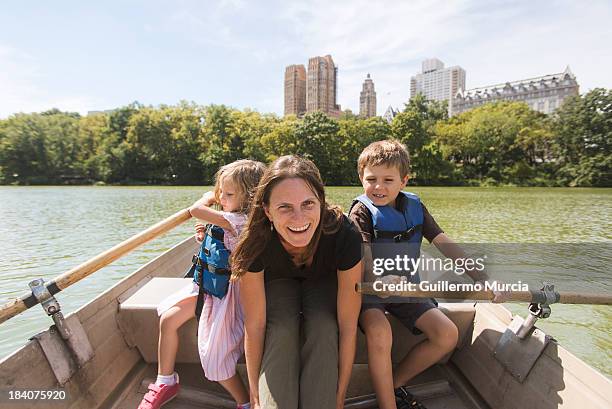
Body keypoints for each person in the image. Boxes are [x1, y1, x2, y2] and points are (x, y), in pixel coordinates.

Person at [348, 140, 506, 409]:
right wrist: (379, 281)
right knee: (380, 333)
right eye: (371, 179)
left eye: (388, 179)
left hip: (408, 289)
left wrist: (482, 278)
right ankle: (388, 406)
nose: (379, 187)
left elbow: (445, 244)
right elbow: (364, 258)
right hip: (369, 290)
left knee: (447, 335)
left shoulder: (416, 207)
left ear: (404, 181)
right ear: (361, 178)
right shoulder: (360, 211)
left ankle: (392, 385)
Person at [230, 155, 363, 409]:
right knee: (280, 329)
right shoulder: (255, 242)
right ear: (267, 211)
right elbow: (255, 326)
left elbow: (347, 326)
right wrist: (255, 398)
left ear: (321, 203)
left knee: (324, 327)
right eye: (285, 207)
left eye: (308, 204)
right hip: (278, 284)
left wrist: (340, 396)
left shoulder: (344, 234)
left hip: (324, 282)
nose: (299, 218)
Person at [138, 159, 266, 409]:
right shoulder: (229, 218)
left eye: (227, 194)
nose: (221, 198)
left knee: (215, 361)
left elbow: (195, 210)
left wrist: (207, 198)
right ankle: (165, 381)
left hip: (226, 296)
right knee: (169, 319)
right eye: (219, 193)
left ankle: (245, 403)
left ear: (250, 197)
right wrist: (205, 235)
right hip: (206, 288)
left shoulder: (242, 220)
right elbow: (222, 244)